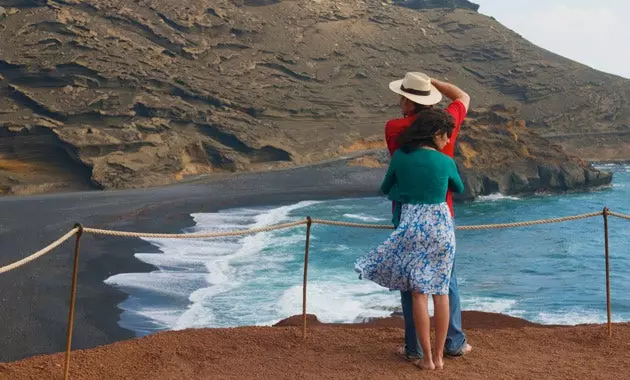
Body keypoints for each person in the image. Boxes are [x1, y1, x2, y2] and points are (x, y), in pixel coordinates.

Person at [355, 109, 465, 370]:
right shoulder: (444, 160)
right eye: (447, 136)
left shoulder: (401, 157)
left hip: (412, 226)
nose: (448, 141)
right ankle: (440, 356)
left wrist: (404, 192)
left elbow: (385, 188)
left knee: (418, 294)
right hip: (441, 227)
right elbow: (458, 188)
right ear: (437, 133)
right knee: (441, 293)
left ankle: (425, 359)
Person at [385, 72, 472, 360]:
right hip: (441, 213)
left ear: (408, 102)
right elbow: (463, 97)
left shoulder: (395, 128)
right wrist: (432, 82)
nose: (399, 101)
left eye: (402, 97)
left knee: (412, 283)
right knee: (447, 280)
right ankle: (454, 343)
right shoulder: (447, 123)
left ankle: (415, 348)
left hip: (406, 211)